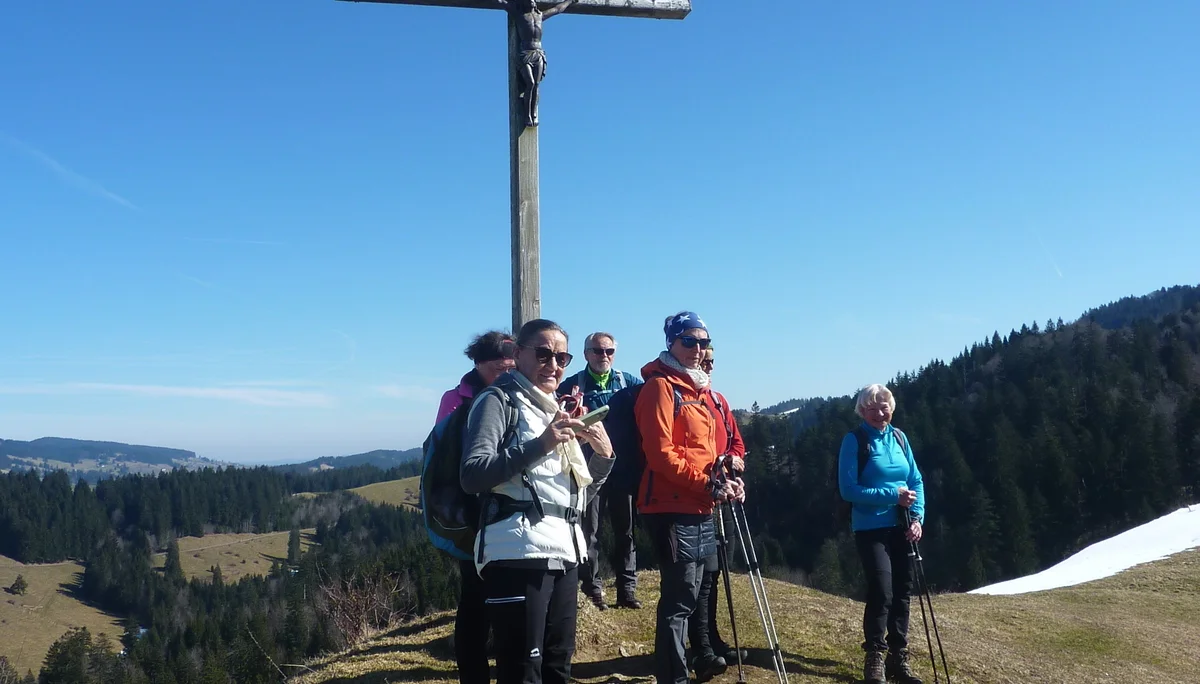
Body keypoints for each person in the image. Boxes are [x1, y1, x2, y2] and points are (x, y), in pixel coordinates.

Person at [462, 318, 616, 684]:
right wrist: (543, 443)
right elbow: (473, 474)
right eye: (544, 354)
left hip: (565, 552)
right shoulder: (497, 400)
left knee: (557, 667)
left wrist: (604, 457)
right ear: (518, 354)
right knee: (522, 671)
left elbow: (571, 500)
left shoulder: (553, 410)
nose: (554, 365)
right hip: (517, 553)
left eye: (562, 358)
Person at [635, 311, 744, 684]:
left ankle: (682, 668)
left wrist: (723, 474)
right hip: (670, 506)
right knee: (679, 599)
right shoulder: (660, 388)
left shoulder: (697, 390)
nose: (697, 348)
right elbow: (660, 455)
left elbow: (704, 451)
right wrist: (708, 485)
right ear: (671, 342)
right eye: (689, 341)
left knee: (691, 595)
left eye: (703, 342)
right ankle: (673, 677)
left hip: (698, 504)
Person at [436, 331, 516, 684]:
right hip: (472, 512)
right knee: (474, 598)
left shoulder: (521, 393)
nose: (507, 369)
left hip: (512, 511)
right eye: (499, 364)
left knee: (510, 600)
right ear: (478, 362)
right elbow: (445, 455)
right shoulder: (455, 399)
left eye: (511, 363)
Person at [838, 383, 926, 684]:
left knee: (902, 593)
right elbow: (849, 490)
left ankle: (898, 658)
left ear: (892, 408)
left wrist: (918, 518)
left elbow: (916, 480)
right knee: (881, 591)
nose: (878, 413)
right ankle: (875, 656)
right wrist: (893, 495)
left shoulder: (900, 437)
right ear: (862, 411)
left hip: (902, 526)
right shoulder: (854, 440)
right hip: (870, 528)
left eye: (883, 407)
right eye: (871, 408)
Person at [556, 332, 644, 610]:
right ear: (586, 354)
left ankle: (627, 590)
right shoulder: (571, 386)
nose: (603, 356)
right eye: (597, 350)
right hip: (588, 470)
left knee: (626, 532)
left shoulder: (630, 383)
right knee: (589, 532)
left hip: (624, 469)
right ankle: (592, 589)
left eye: (609, 351)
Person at [688, 345, 747, 675]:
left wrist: (733, 461)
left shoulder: (719, 401)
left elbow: (736, 442)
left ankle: (712, 639)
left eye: (712, 361)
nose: (708, 365)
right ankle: (702, 646)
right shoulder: (690, 399)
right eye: (704, 360)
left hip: (725, 495)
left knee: (717, 570)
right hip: (701, 495)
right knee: (705, 575)